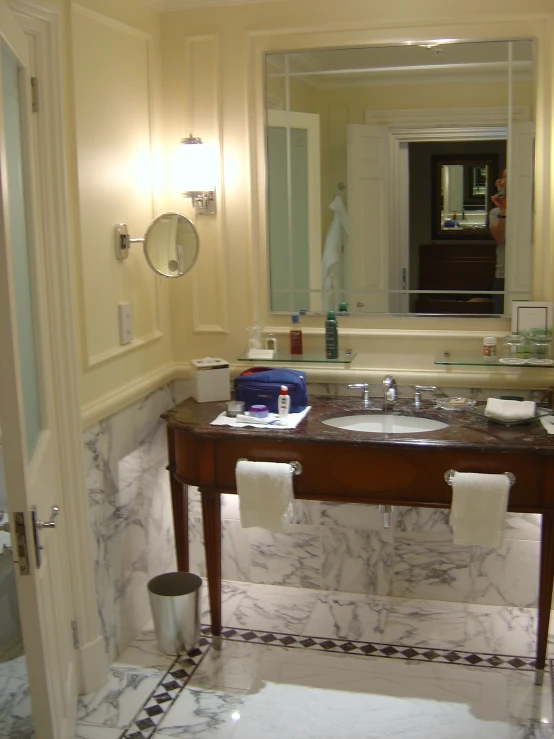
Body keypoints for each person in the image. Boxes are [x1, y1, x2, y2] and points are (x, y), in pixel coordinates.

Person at [489, 169, 507, 314]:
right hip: (503, 275)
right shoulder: (496, 213)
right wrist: (504, 210)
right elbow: (499, 238)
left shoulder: (538, 209)